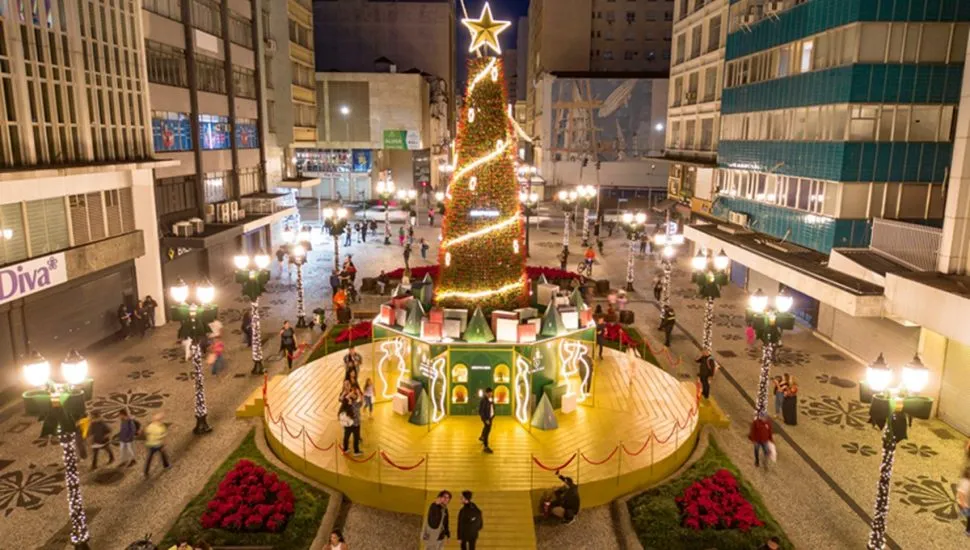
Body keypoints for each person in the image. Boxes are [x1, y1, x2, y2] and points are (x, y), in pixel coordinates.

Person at [338, 382, 362, 456]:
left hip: (348, 421)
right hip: (354, 422)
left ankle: (346, 449)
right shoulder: (354, 403)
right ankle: (356, 451)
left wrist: (348, 394)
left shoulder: (346, 401)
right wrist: (356, 393)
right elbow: (360, 400)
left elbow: (341, 399)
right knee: (355, 437)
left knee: (346, 435)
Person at [478, 387, 495, 454]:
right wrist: (486, 420)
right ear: (486, 393)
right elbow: (481, 411)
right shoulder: (483, 400)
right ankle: (486, 447)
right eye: (489, 393)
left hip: (490, 417)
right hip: (487, 418)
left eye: (491, 393)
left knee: (486, 428)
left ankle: (482, 437)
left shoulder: (490, 399)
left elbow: (492, 407)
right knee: (487, 432)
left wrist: (493, 416)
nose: (490, 394)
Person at [957, 467, 970, 537]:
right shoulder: (965, 483)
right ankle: (968, 531)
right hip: (966, 505)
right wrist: (963, 505)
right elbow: (961, 495)